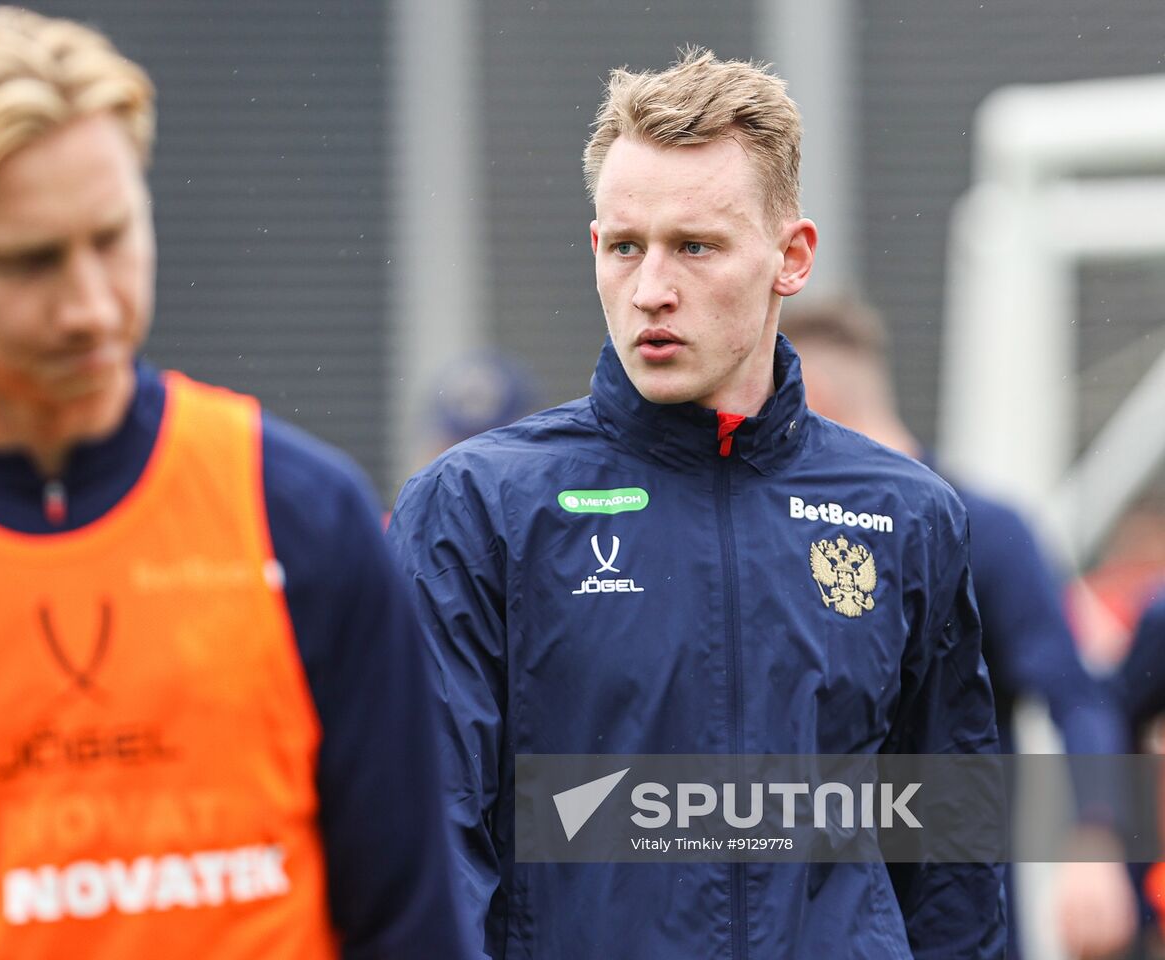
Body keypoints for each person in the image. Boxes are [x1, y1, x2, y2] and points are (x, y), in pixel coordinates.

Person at [0, 9, 465, 959]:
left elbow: (412, 926)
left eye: (114, 237)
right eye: (30, 262)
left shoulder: (301, 518)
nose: (92, 306)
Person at [388, 48, 1004, 958]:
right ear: (596, 247)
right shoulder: (477, 508)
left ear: (790, 258)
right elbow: (426, 842)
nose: (651, 291)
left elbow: (948, 855)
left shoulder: (906, 514)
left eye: (697, 247)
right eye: (627, 247)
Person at [781, 295, 1137, 960]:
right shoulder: (776, 537)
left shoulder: (981, 530)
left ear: (814, 394)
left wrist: (1095, 840)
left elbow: (1076, 696)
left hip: (958, 915)